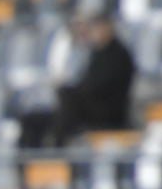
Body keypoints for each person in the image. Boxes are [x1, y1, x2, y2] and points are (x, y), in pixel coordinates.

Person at [19, 13, 135, 149]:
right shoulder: (97, 53)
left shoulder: (119, 55)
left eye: (97, 27)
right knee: (33, 119)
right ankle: (29, 164)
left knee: (69, 99)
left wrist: (72, 91)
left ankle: (59, 152)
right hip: (88, 108)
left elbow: (99, 87)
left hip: (106, 112)